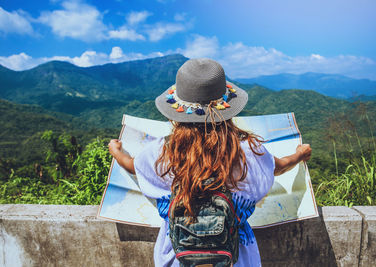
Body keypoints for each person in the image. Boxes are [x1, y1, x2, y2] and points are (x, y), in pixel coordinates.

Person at [108, 58, 312, 266]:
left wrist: (117, 152)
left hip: (177, 257)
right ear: (227, 109)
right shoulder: (248, 152)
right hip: (234, 257)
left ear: (176, 113)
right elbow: (278, 166)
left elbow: (134, 166)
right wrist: (299, 154)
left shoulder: (161, 152)